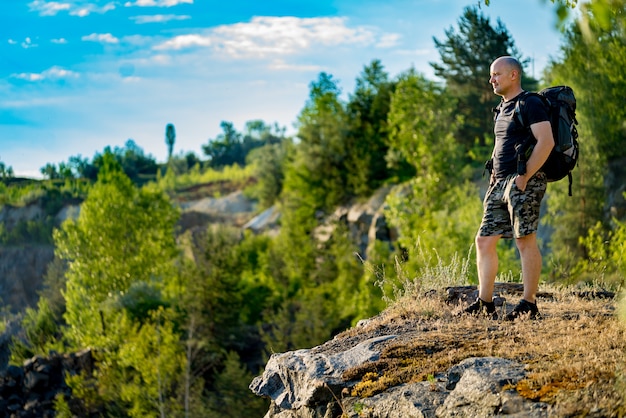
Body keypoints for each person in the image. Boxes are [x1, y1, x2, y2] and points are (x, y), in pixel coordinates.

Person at [464, 56, 554, 320]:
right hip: (499, 183)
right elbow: (499, 145)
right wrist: (493, 177)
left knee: (524, 241)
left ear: (514, 75)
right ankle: (485, 303)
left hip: (522, 180)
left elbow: (546, 142)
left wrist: (524, 177)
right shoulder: (501, 108)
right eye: (491, 75)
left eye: (496, 74)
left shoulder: (530, 103)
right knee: (483, 241)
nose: (492, 79)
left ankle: (529, 304)